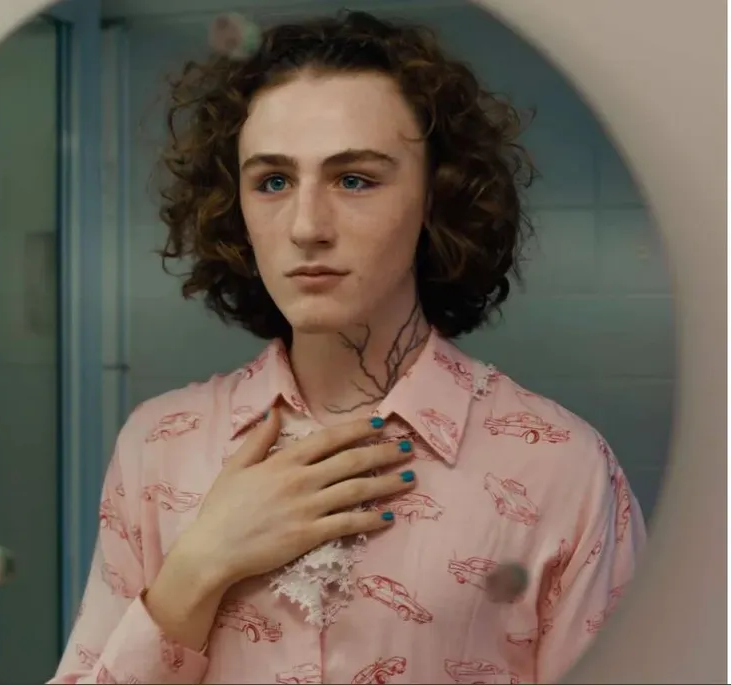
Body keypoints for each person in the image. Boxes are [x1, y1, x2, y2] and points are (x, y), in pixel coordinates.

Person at [51, 11, 645, 685]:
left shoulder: (563, 469)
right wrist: (198, 568)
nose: (306, 226)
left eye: (354, 179)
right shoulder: (158, 446)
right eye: (273, 182)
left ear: (435, 197)